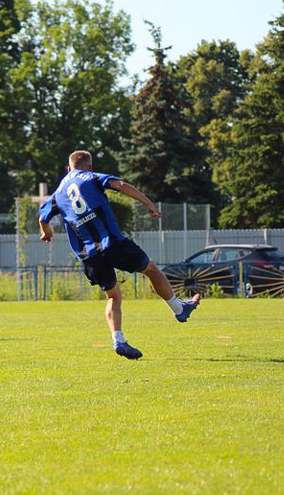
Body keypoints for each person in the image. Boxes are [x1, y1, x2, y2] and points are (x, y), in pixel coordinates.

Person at [38, 150, 199, 360]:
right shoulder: (92, 177)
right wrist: (149, 204)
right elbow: (120, 185)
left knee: (112, 296)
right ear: (89, 166)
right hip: (112, 243)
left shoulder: (57, 194)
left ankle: (118, 341)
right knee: (150, 269)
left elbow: (43, 217)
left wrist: (47, 232)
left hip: (89, 255)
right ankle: (179, 309)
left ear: (68, 169)